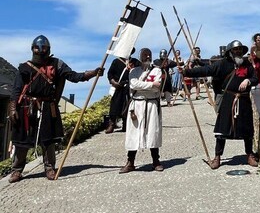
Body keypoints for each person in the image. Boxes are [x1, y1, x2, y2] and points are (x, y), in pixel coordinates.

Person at [8, 35, 103, 182]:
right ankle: (17, 170)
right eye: (37, 48)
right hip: (26, 108)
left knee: (48, 140)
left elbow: (74, 76)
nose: (40, 50)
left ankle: (49, 167)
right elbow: (16, 89)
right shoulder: (25, 67)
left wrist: (92, 73)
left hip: (47, 107)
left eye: (43, 48)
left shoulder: (57, 64)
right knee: (22, 140)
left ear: (48, 49)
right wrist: (13, 107)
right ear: (32, 49)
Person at [183, 40, 258, 169]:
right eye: (236, 50)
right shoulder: (222, 64)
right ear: (230, 52)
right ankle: (217, 157)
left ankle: (249, 155)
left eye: (240, 49)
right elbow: (206, 70)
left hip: (244, 100)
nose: (238, 52)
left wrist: (248, 80)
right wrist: (187, 72)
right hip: (228, 99)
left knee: (247, 129)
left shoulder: (247, 64)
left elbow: (256, 78)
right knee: (222, 129)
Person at [120, 48, 164, 173]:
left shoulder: (157, 70)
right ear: (140, 57)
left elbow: (158, 87)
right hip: (137, 106)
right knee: (133, 134)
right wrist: (151, 85)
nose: (147, 56)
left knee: (153, 132)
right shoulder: (134, 71)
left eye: (149, 54)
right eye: (144, 54)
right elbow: (133, 84)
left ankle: (156, 161)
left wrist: (148, 86)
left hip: (151, 105)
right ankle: (130, 162)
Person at [106, 49, 134, 134]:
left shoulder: (134, 62)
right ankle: (112, 124)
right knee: (115, 105)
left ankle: (126, 124)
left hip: (130, 86)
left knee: (128, 105)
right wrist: (113, 82)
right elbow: (110, 74)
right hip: (119, 87)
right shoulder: (116, 61)